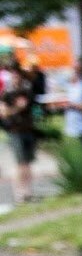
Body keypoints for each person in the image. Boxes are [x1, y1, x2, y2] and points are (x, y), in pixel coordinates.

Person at [0, 62, 37, 203]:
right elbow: (4, 113)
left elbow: (28, 105)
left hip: (27, 130)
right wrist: (16, 108)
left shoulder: (26, 91)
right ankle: (20, 193)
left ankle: (28, 192)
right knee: (21, 163)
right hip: (15, 131)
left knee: (27, 163)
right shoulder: (7, 94)